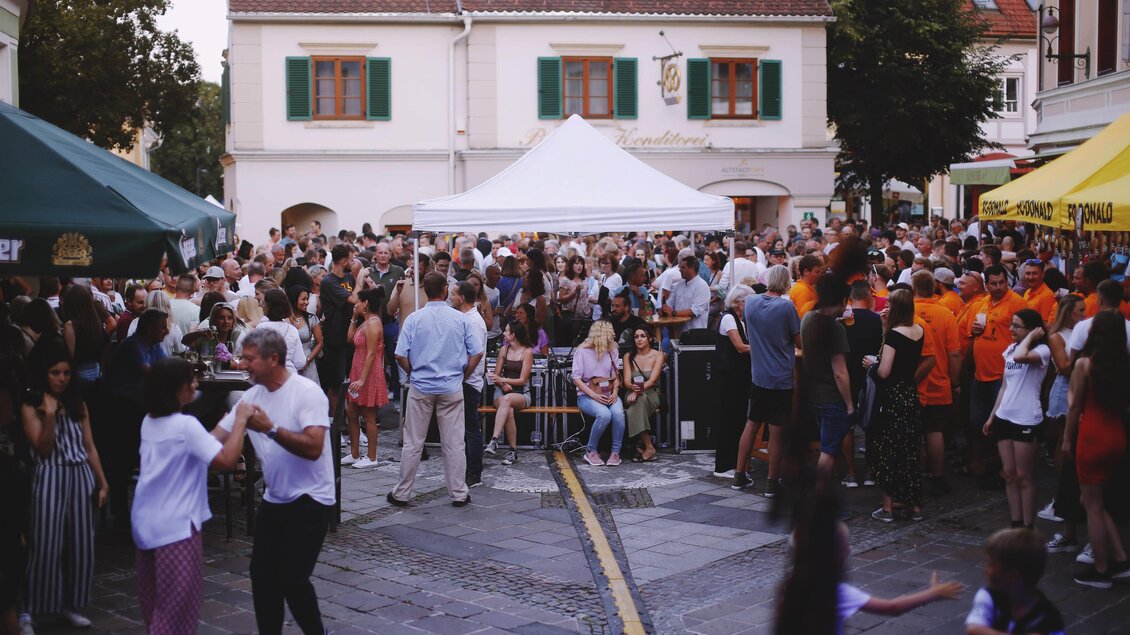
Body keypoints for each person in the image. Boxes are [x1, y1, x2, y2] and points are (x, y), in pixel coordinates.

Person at [213, 329, 335, 634]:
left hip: (312, 498)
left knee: (292, 579)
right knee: (262, 576)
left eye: (250, 359)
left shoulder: (306, 392)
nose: (243, 364)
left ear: (274, 359)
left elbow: (313, 447)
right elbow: (216, 438)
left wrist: (270, 429)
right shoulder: (251, 396)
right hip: (276, 498)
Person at [131, 358, 246, 634]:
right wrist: (240, 422)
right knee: (176, 610)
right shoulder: (185, 426)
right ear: (175, 389)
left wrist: (228, 420)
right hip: (177, 529)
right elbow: (227, 460)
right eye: (190, 380)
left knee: (154, 606)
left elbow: (202, 440)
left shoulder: (150, 421)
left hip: (146, 525)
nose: (195, 384)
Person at [19, 343, 109, 634]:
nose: (61, 378)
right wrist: (49, 416)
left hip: (80, 474)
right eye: (55, 373)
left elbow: (90, 445)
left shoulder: (78, 404)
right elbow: (42, 449)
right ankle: (30, 608)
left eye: (66, 373)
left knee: (81, 544)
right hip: (49, 475)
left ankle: (69, 604)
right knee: (45, 544)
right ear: (43, 374)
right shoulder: (30, 405)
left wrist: (102, 481)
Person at [388, 272, 483, 508]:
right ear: (443, 290)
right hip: (451, 386)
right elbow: (477, 352)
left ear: (426, 291)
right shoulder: (460, 319)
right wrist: (463, 376)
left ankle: (402, 493)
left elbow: (399, 354)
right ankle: (459, 493)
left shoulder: (414, 319)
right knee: (453, 443)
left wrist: (413, 372)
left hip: (421, 385)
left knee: (413, 442)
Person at [1063, 312, 1130, 588]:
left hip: (1092, 434)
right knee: (1093, 501)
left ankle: (1101, 569)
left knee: (1091, 504)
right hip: (1116, 433)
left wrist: (1067, 439)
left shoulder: (1084, 365)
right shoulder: (1123, 365)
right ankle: (1120, 557)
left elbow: (1076, 406)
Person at [732, 265, 800, 496]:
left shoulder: (750, 302)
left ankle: (739, 474)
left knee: (751, 424)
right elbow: (799, 341)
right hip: (781, 375)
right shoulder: (787, 306)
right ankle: (772, 481)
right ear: (786, 283)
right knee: (777, 429)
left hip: (758, 373)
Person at [982, 309, 1050, 530]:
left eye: (1016, 326)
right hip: (1005, 416)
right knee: (1009, 474)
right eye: (1011, 324)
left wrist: (1031, 337)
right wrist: (992, 416)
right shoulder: (1010, 349)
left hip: (1026, 418)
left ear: (1030, 329)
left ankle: (1028, 526)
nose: (1011, 329)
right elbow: (1004, 387)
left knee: (1024, 475)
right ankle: (1016, 521)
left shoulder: (1042, 350)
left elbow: (1022, 357)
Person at [864, 290, 927, 522]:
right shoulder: (919, 330)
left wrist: (872, 364)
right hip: (910, 394)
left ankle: (888, 507)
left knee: (887, 450)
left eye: (889, 303)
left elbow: (884, 371)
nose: (886, 306)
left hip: (891, 397)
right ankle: (914, 505)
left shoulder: (894, 334)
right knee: (909, 450)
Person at [101, 309, 169, 524]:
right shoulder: (133, 345)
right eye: (162, 327)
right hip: (120, 408)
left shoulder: (154, 345)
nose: (166, 331)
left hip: (138, 406)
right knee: (123, 459)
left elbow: (164, 366)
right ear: (150, 328)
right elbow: (150, 371)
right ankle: (121, 512)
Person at [961, 265, 1027, 487]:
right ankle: (983, 464)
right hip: (981, 373)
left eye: (1002, 282)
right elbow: (968, 330)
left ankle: (1001, 469)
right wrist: (974, 331)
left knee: (1001, 424)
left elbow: (1028, 336)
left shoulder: (1016, 303)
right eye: (994, 283)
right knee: (976, 422)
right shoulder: (981, 303)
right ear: (986, 285)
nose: (999, 287)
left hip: (1004, 375)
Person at [799, 275, 856, 476]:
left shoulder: (808, 317)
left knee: (826, 444)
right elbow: (840, 372)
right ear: (841, 300)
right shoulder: (835, 328)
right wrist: (849, 404)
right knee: (829, 450)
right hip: (831, 396)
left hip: (813, 393)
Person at [912, 270, 961, 496]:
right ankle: (938, 476)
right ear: (934, 287)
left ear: (913, 288)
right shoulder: (946, 314)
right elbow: (954, 354)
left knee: (913, 432)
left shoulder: (908, 313)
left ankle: (916, 474)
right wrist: (956, 380)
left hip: (913, 382)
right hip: (940, 381)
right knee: (935, 431)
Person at [965, 528, 1065, 634]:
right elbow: (973, 630)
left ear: (1013, 576)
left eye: (991, 565)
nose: (986, 571)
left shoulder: (1049, 618)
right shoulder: (989, 596)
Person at [341, 287, 388, 470]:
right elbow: (350, 338)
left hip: (368, 373)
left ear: (366, 303)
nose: (356, 304)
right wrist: (354, 318)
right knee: (352, 413)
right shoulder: (365, 322)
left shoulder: (374, 323)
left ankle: (371, 456)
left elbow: (370, 354)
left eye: (358, 302)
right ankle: (354, 454)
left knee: (369, 415)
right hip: (358, 370)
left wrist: (362, 379)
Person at [841, 281, 882, 488]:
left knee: (847, 425)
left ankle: (849, 473)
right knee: (871, 424)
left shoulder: (843, 321)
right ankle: (870, 471)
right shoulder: (877, 320)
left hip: (847, 376)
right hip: (871, 376)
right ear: (868, 296)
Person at [713, 285, 752, 478]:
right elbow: (739, 346)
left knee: (737, 419)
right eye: (748, 302)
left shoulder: (741, 320)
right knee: (729, 419)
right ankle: (723, 465)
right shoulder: (729, 318)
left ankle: (736, 462)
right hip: (728, 376)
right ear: (737, 302)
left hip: (738, 377)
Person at [572, 320, 624, 466]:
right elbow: (576, 378)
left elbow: (615, 376)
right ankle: (591, 450)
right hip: (586, 395)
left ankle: (615, 453)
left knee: (618, 413)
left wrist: (615, 392)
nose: (612, 336)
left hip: (608, 393)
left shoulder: (612, 350)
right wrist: (594, 395)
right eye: (609, 333)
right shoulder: (581, 351)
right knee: (605, 414)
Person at [451, 282, 487, 487]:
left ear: (462, 298)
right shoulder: (467, 318)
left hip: (468, 382)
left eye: (454, 294)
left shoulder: (472, 321)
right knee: (464, 428)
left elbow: (476, 353)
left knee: (470, 428)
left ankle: (473, 472)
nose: (451, 298)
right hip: (467, 380)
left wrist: (463, 377)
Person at [484, 322, 534, 467]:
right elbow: (496, 376)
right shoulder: (503, 350)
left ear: (514, 334)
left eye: (506, 331)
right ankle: (513, 451)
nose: (504, 333)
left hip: (521, 393)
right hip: (502, 392)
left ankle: (494, 440)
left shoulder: (527, 352)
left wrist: (503, 380)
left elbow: (523, 380)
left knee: (507, 401)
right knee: (508, 409)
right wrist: (501, 383)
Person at [623, 326, 664, 462]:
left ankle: (642, 445)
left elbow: (652, 381)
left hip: (650, 393)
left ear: (650, 338)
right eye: (636, 337)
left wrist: (637, 392)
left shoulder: (658, 355)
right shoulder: (628, 356)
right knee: (639, 400)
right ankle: (648, 447)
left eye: (642, 336)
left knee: (637, 403)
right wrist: (634, 390)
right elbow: (627, 381)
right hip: (631, 393)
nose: (639, 339)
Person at [242, 289, 305, 374]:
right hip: (289, 375)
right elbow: (300, 362)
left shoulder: (261, 328)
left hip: (267, 376)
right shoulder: (292, 329)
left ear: (269, 306)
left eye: (264, 303)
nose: (261, 306)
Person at [59, 285, 107, 383]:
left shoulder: (70, 326)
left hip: (79, 375)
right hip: (96, 371)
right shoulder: (95, 322)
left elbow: (72, 355)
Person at [661, 255, 710, 331]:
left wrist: (673, 313)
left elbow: (695, 311)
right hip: (678, 331)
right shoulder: (679, 284)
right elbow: (670, 303)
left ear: (692, 269)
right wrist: (664, 309)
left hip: (694, 333)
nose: (680, 270)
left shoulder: (702, 286)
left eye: (683, 267)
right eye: (680, 267)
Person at [287, 286, 323, 384]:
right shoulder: (284, 319)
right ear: (294, 300)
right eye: (303, 299)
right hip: (289, 362)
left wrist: (307, 360)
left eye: (307, 299)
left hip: (307, 362)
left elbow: (319, 343)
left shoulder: (311, 319)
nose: (306, 302)